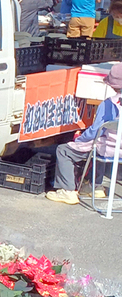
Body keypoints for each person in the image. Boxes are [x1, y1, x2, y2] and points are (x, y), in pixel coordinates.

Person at [45, 64, 122, 205]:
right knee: (102, 144)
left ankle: (67, 191)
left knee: (64, 150)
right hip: (118, 149)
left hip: (109, 148)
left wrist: (79, 139)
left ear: (112, 86)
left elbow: (95, 131)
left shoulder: (109, 104)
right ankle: (95, 186)